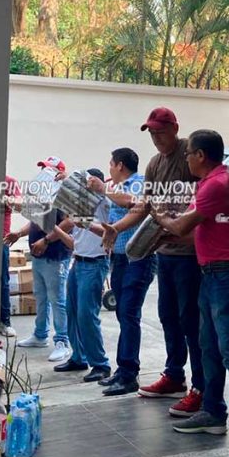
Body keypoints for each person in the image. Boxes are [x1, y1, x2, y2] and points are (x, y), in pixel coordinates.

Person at [152, 129, 229, 457]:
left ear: (200, 155)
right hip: (212, 274)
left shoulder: (216, 184)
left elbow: (183, 225)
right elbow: (192, 225)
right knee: (208, 346)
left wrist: (158, 216)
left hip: (228, 275)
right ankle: (213, 412)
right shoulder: (209, 183)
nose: (186, 159)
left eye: (189, 155)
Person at [105, 107, 204, 416]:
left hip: (190, 255)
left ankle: (201, 388)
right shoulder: (154, 164)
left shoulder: (191, 155)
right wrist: (116, 228)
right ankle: (175, 375)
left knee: (192, 322)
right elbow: (144, 207)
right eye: (152, 133)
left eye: (161, 131)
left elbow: (204, 200)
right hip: (164, 253)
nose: (157, 138)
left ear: (174, 128)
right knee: (168, 318)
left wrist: (186, 232)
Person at [91, 148, 158, 397]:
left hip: (139, 258)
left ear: (120, 165)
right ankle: (123, 369)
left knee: (129, 312)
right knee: (122, 312)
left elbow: (133, 204)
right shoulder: (114, 189)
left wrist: (103, 188)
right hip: (120, 259)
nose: (108, 168)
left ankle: (129, 373)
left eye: (110, 164)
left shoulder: (138, 183)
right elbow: (111, 227)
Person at [7, 157, 75, 362]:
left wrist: (46, 241)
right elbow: (35, 221)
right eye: (43, 169)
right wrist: (19, 233)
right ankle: (40, 335)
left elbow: (68, 224)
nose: (43, 173)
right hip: (38, 255)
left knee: (57, 299)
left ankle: (62, 341)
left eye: (47, 170)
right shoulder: (43, 196)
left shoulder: (64, 197)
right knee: (41, 296)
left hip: (55, 256)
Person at [52, 168, 114, 383]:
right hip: (78, 262)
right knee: (72, 312)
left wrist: (102, 187)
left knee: (87, 315)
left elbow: (114, 199)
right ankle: (79, 357)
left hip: (95, 263)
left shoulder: (104, 202)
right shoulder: (78, 207)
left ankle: (100, 364)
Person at [0, 174, 20, 338]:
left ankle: (4, 322)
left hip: (1, 238)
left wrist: (5, 197)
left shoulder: (9, 182)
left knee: (2, 281)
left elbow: (20, 205)